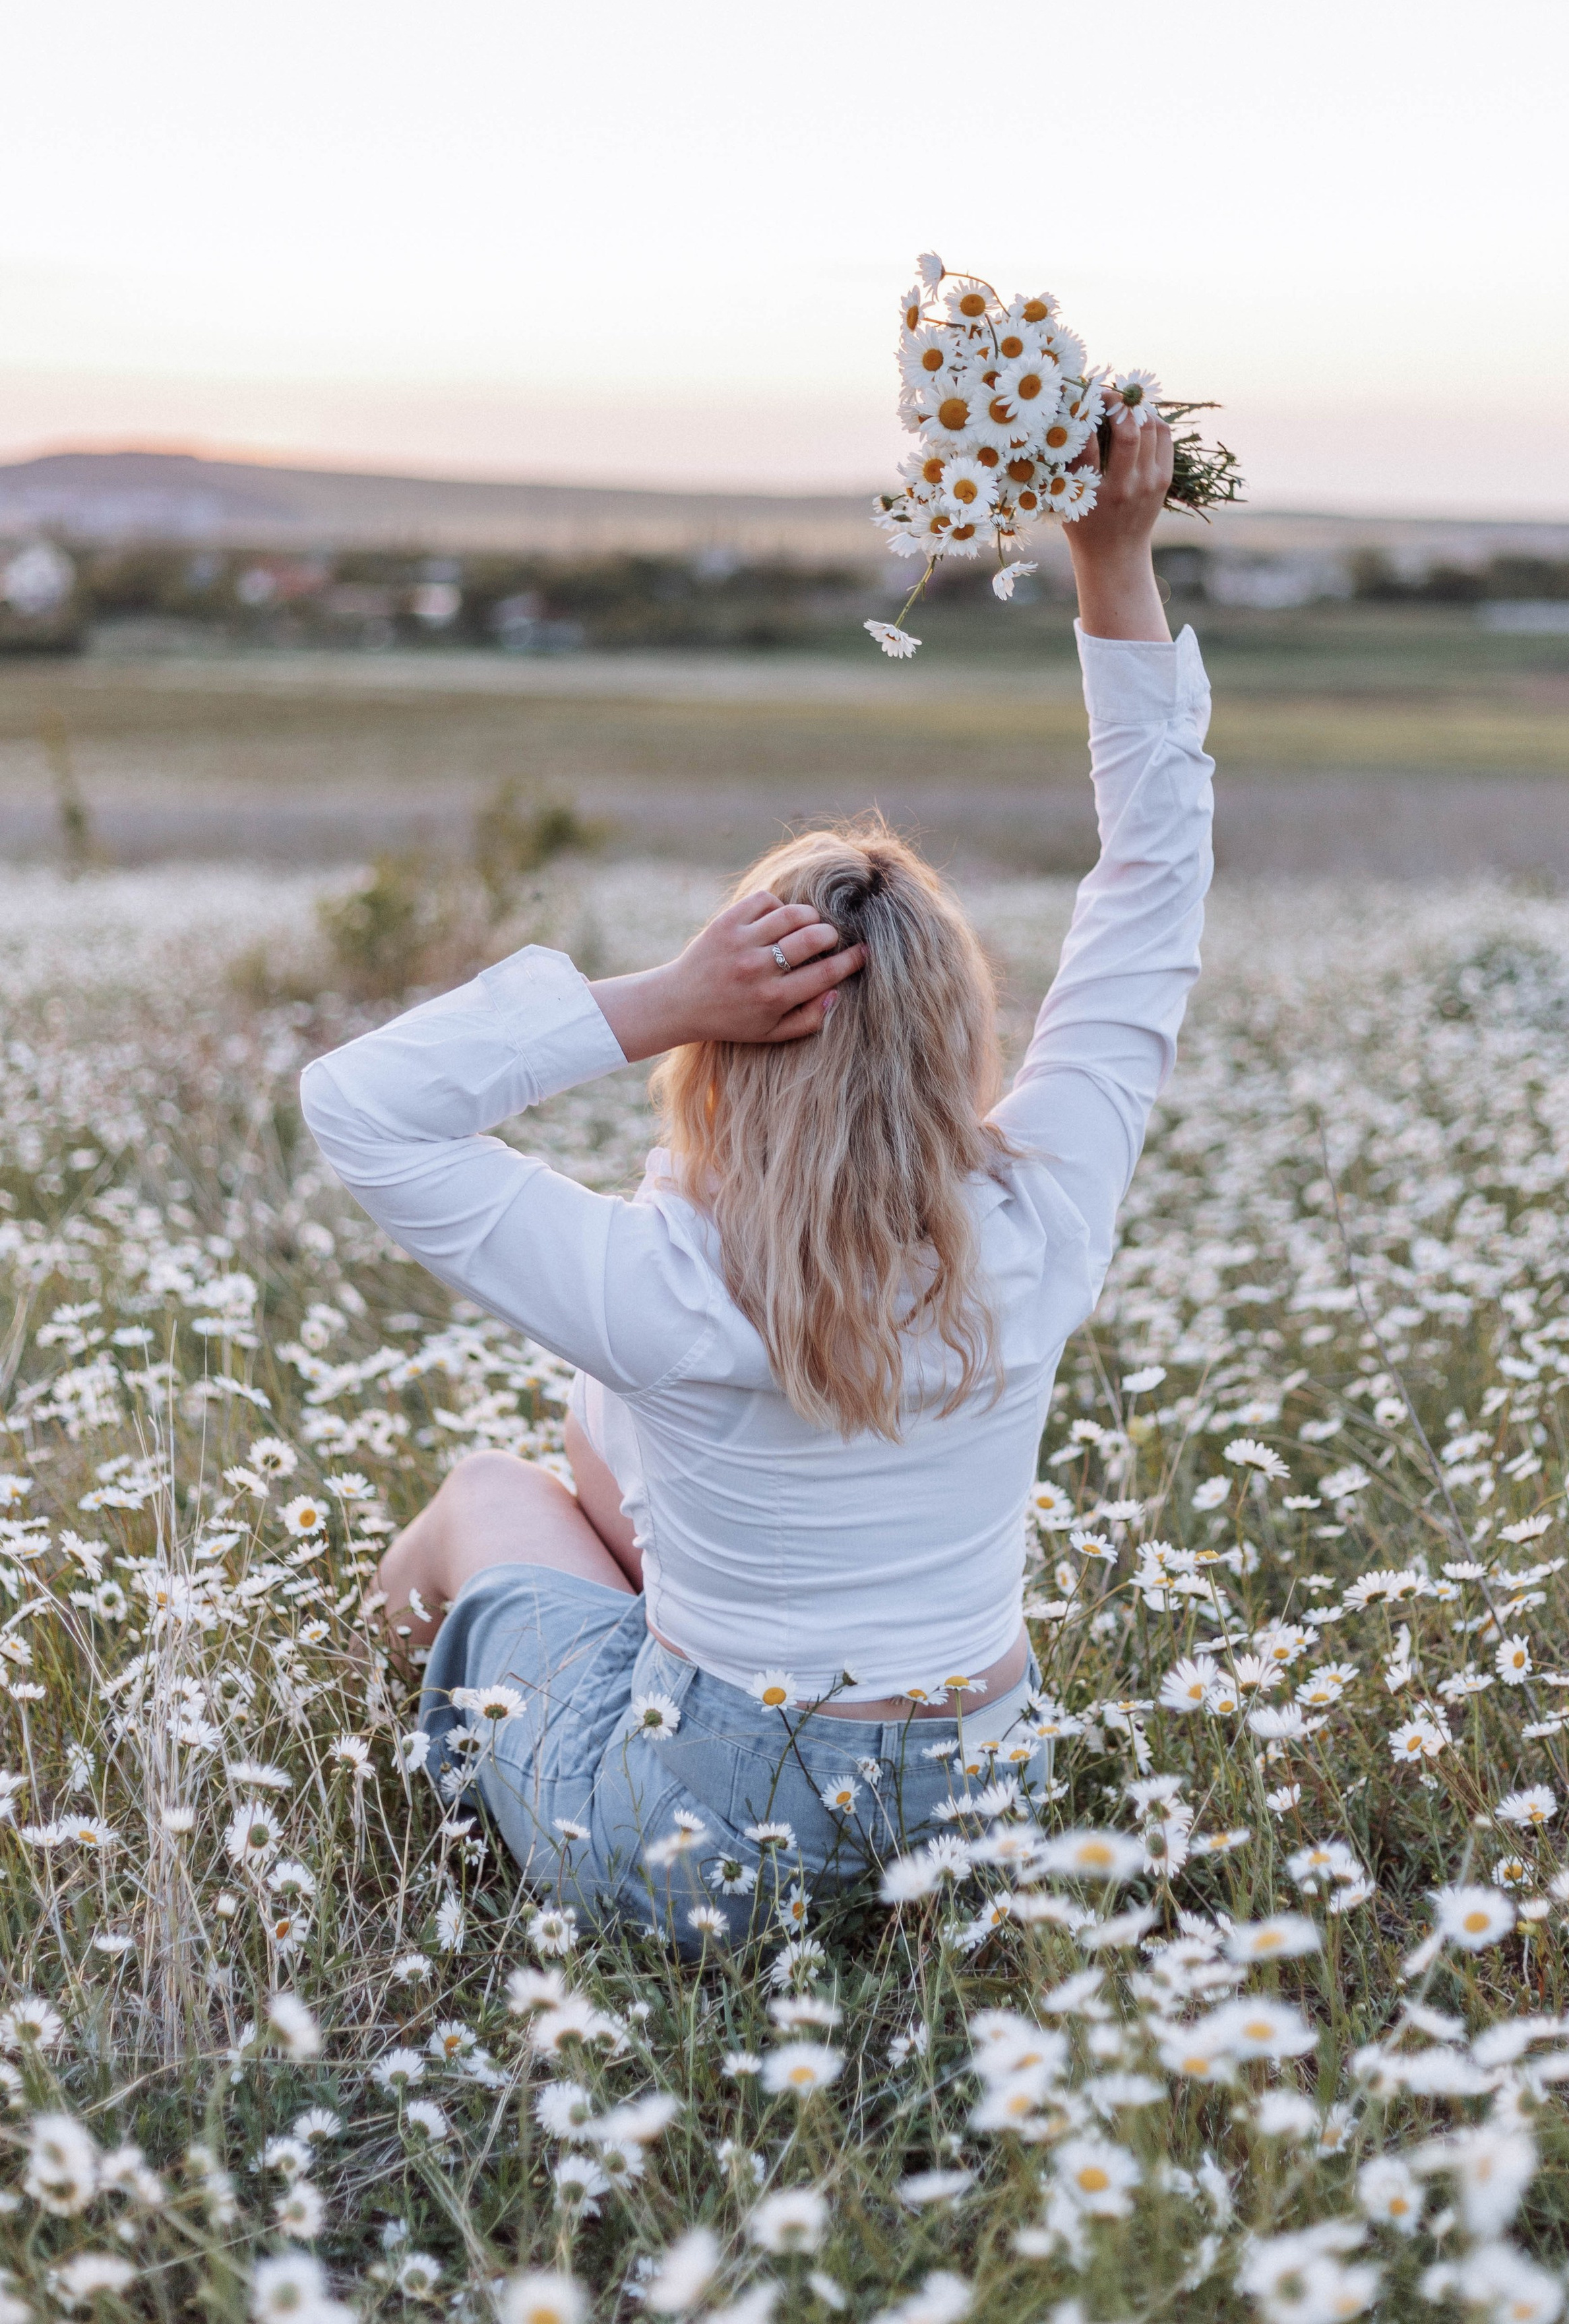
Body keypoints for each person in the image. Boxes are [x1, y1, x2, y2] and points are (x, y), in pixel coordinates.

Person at [299, 403, 1213, 1947]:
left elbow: (361, 1107)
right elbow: (1155, 869)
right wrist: (1108, 561)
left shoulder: (660, 1283)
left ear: (732, 1046)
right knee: (603, 1443)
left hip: (706, 1837)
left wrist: (659, 997)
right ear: (955, 1038)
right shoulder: (1044, 1212)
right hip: (988, 1813)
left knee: (490, 1492)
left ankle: (337, 1772)